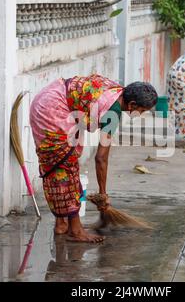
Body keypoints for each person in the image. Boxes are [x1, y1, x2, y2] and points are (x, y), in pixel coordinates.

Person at [30, 74, 158, 243]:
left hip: (50, 98)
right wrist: (103, 195)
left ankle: (62, 224)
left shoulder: (117, 91)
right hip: (51, 108)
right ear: (132, 104)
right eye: (141, 111)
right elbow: (101, 158)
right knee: (65, 165)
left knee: (59, 163)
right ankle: (75, 231)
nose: (140, 114)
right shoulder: (113, 112)